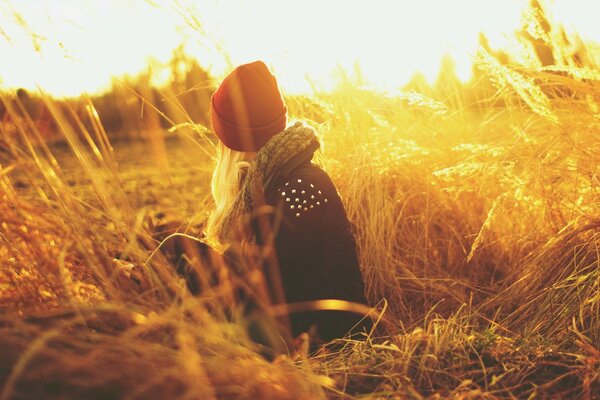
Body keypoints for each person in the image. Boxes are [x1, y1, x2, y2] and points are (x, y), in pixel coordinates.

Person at [158, 60, 371, 353]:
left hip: (326, 337)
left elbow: (277, 288)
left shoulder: (302, 185)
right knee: (179, 252)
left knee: (178, 248)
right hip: (295, 323)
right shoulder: (273, 178)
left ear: (233, 139)